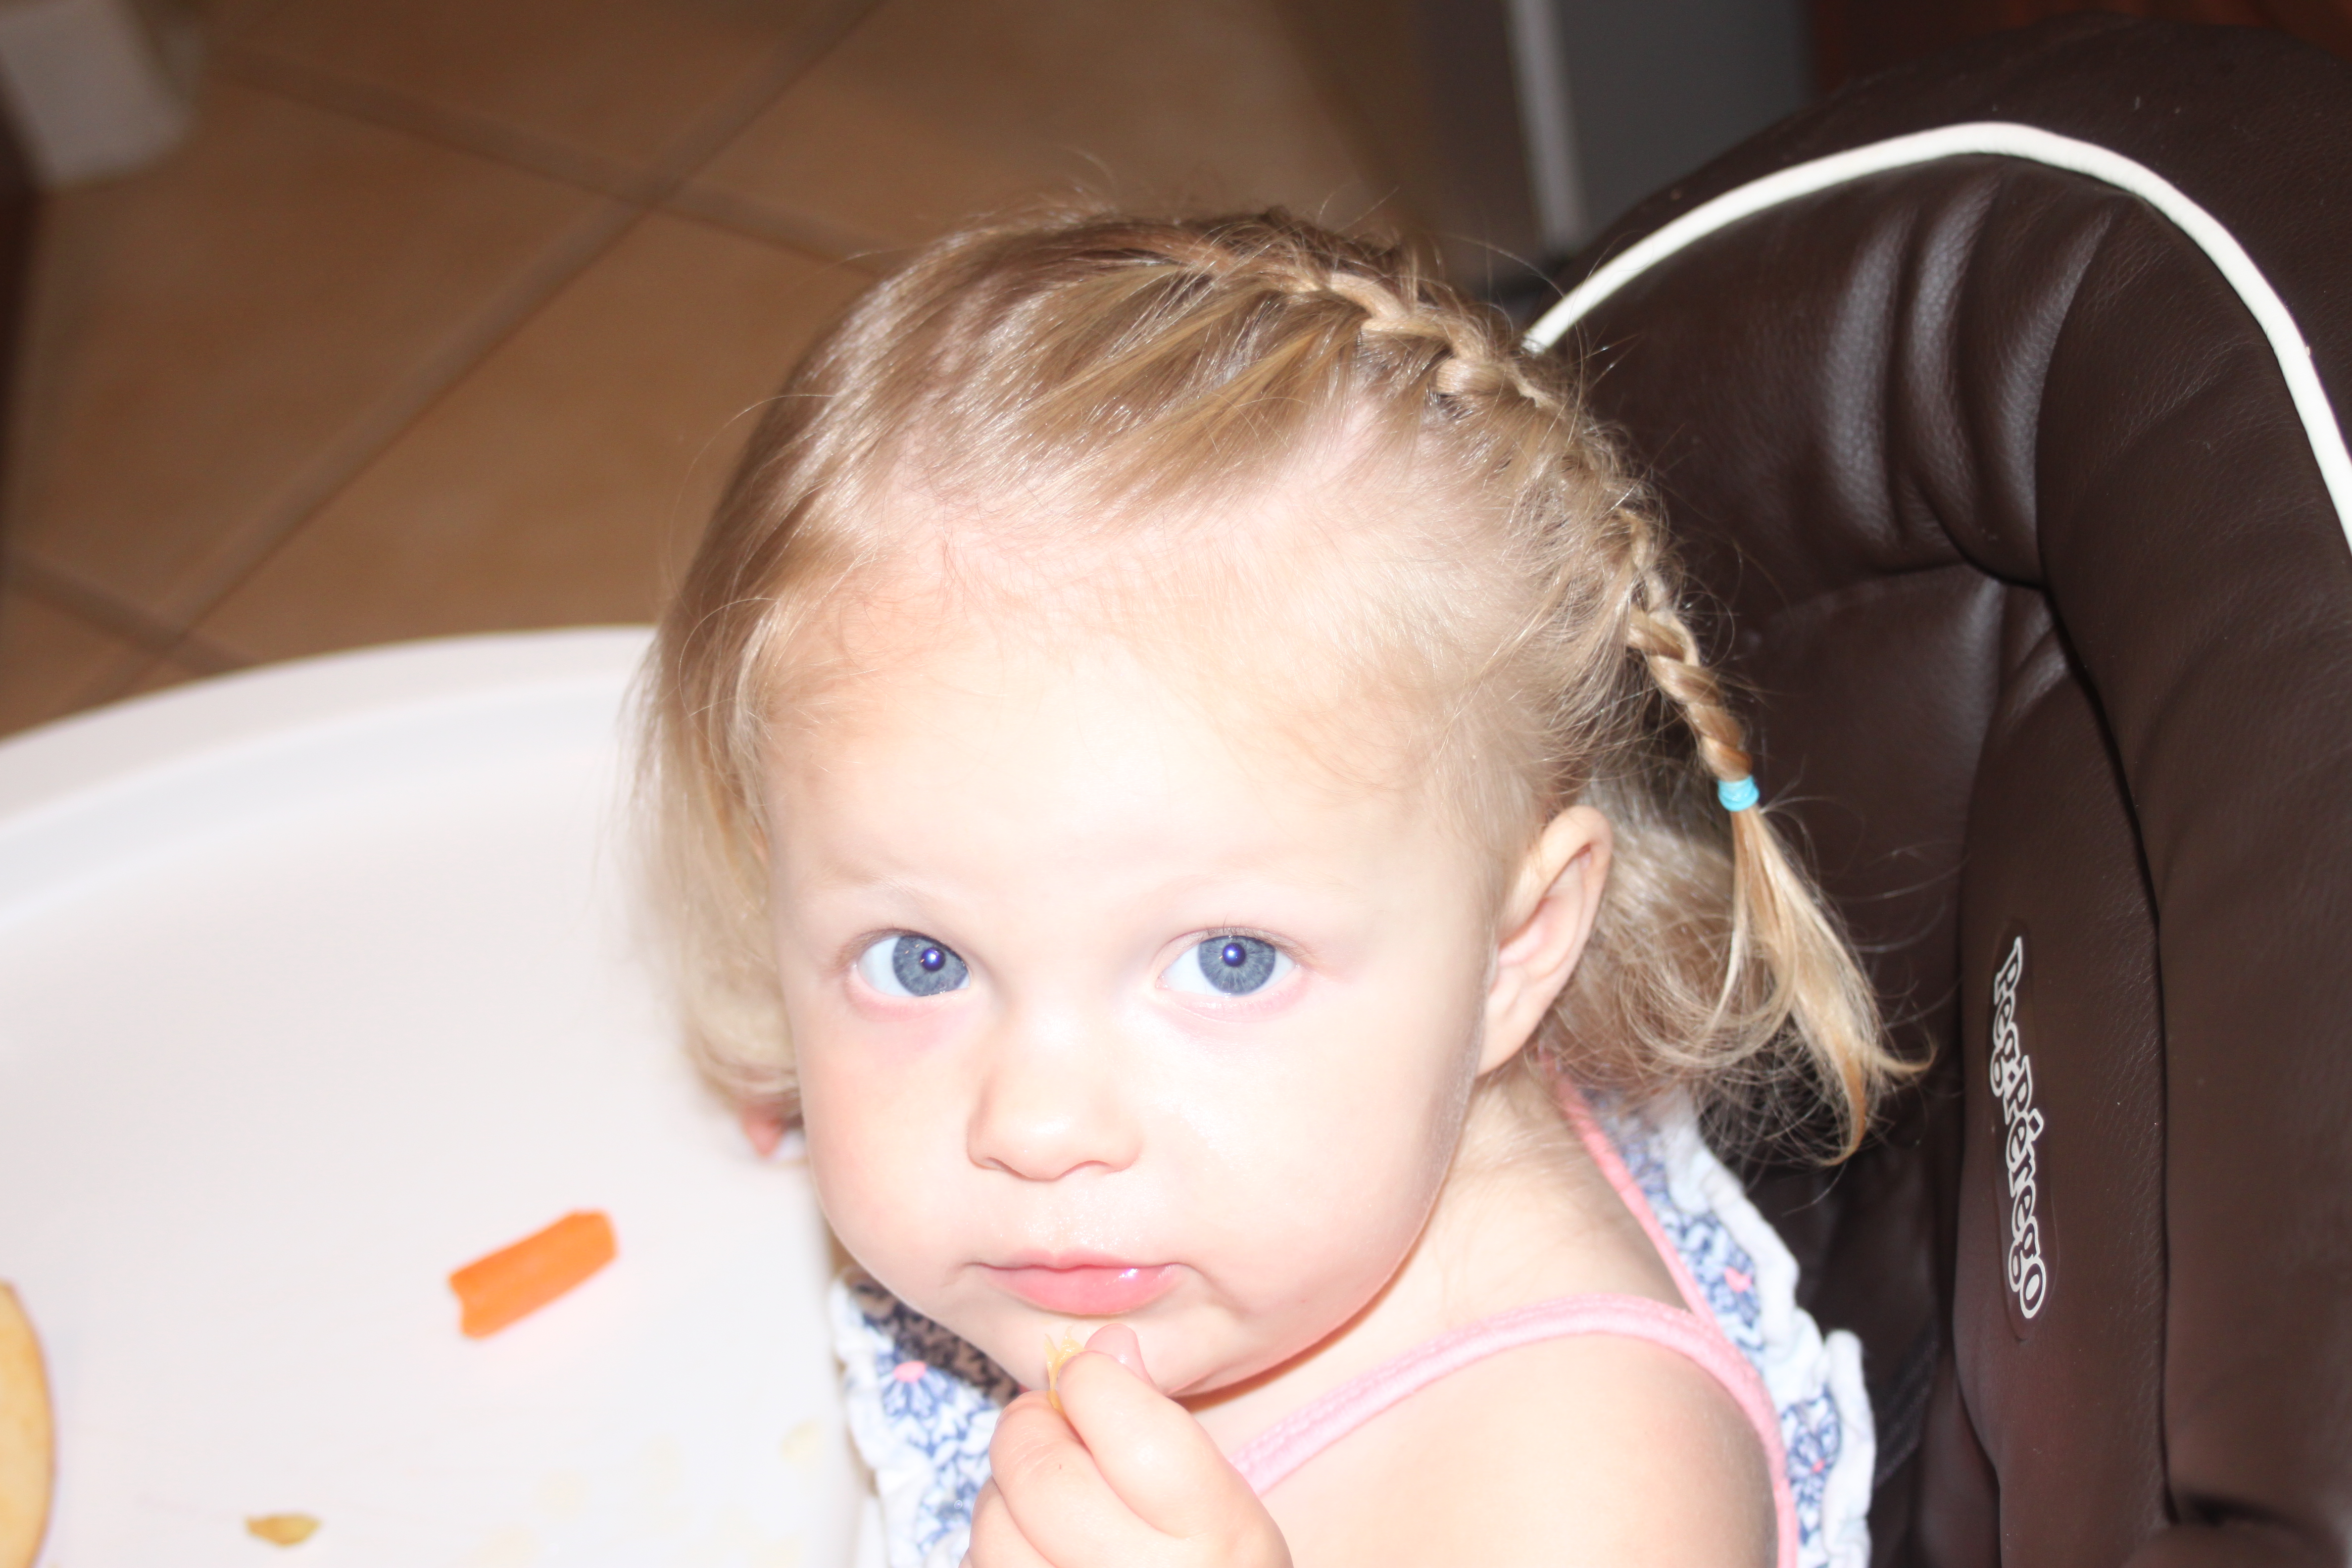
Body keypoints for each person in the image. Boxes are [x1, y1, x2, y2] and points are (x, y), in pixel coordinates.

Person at [643, 210, 1908, 1568]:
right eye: (922, 959)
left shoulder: (1589, 1489)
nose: (1039, 1124)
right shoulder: (1258, 1172)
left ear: (1513, 947)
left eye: (1227, 962)